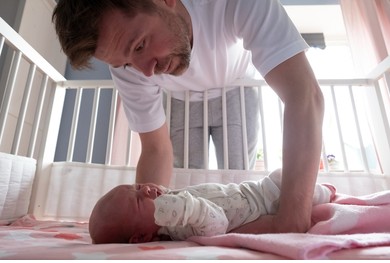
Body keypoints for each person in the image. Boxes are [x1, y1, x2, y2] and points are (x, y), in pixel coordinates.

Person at [53, 0, 324, 234]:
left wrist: (292, 221)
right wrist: (150, 227)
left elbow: (304, 94)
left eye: (139, 46)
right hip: (181, 98)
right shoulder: (131, 68)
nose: (145, 72)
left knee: (239, 169)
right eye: (125, 62)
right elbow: (156, 148)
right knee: (189, 178)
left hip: (236, 85)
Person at [89, 169, 336, 244]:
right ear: (141, 236)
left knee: (287, 172)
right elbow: (219, 225)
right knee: (292, 183)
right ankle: (326, 195)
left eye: (138, 185)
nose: (145, 190)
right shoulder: (178, 226)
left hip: (257, 189)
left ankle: (324, 191)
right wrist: (188, 210)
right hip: (266, 206)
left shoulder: (170, 198)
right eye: (139, 199)